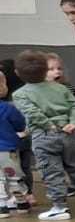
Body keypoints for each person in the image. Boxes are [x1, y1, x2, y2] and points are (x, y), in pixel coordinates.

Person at [13, 51, 75, 220]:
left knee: (51, 172)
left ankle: (60, 207)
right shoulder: (61, 88)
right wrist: (73, 122)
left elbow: (32, 113)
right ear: (45, 69)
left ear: (17, 73)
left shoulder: (20, 94)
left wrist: (49, 125)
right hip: (68, 134)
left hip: (44, 136)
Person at [0, 73, 26, 213]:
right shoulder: (8, 108)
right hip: (8, 150)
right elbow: (20, 125)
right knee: (14, 177)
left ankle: (2, 205)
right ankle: (21, 202)